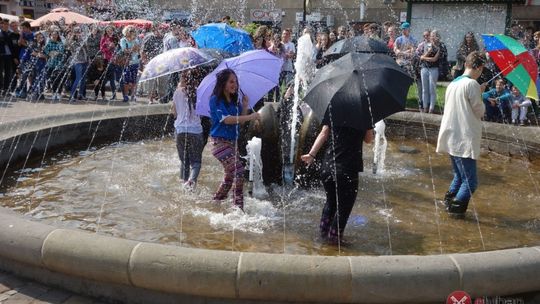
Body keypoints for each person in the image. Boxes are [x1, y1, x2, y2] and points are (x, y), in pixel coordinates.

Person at [301, 110, 374, 244]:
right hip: (348, 168)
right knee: (344, 207)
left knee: (331, 202)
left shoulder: (334, 108)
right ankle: (335, 239)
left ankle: (323, 235)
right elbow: (369, 140)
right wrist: (369, 124)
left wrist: (311, 155)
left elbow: (323, 133)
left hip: (328, 166)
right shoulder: (364, 113)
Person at [436, 51, 487, 216]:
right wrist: (480, 93)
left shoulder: (453, 83)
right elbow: (479, 111)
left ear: (466, 64)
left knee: (459, 176)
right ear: (478, 67)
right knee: (470, 182)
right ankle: (454, 212)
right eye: (481, 69)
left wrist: (478, 91)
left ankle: (447, 204)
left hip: (451, 135)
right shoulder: (471, 84)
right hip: (464, 137)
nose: (481, 73)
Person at [209, 69, 260, 210]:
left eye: (236, 82)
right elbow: (227, 120)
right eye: (231, 82)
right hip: (219, 144)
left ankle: (216, 201)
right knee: (239, 170)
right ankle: (238, 208)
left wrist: (244, 106)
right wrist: (250, 116)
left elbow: (240, 122)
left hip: (232, 144)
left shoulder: (234, 102)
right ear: (223, 83)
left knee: (230, 176)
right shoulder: (215, 100)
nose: (235, 85)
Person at [172, 72, 204, 189]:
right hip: (195, 131)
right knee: (196, 162)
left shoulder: (177, 92)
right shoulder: (199, 92)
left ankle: (183, 183)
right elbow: (204, 112)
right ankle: (191, 181)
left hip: (180, 130)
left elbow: (174, 113)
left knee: (184, 161)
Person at [419, 30, 447, 113]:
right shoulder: (426, 44)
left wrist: (424, 58)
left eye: (434, 36)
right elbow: (421, 57)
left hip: (434, 69)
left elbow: (435, 59)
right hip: (424, 68)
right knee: (424, 89)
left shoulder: (441, 46)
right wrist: (429, 51)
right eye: (431, 36)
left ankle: (431, 108)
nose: (432, 37)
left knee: (432, 89)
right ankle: (425, 107)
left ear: (438, 37)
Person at [66, 27, 89, 101]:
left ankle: (81, 94)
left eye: (80, 32)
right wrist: (81, 42)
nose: (79, 34)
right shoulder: (72, 41)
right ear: (74, 33)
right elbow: (75, 50)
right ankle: (72, 95)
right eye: (77, 32)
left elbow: (87, 50)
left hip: (85, 61)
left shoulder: (83, 40)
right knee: (78, 78)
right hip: (77, 61)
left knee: (83, 79)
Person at [119, 25, 141, 102]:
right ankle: (125, 95)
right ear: (127, 32)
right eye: (130, 31)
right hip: (127, 63)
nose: (132, 33)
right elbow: (124, 50)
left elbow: (138, 50)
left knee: (134, 80)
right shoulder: (123, 40)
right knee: (126, 80)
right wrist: (133, 49)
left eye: (133, 32)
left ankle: (133, 95)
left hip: (135, 62)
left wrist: (133, 49)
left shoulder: (136, 40)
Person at [43, 29, 65, 101]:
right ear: (51, 35)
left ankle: (58, 93)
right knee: (52, 80)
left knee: (59, 79)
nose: (55, 35)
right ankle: (54, 93)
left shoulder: (60, 43)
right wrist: (53, 53)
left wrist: (53, 53)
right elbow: (46, 52)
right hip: (50, 64)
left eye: (56, 34)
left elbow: (60, 52)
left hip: (58, 64)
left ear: (58, 35)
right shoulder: (48, 43)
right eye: (53, 34)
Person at [100, 25, 119, 101]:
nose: (109, 32)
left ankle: (113, 95)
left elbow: (119, 47)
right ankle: (104, 94)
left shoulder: (115, 38)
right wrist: (108, 48)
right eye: (108, 31)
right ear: (106, 31)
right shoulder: (103, 38)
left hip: (113, 60)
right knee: (106, 77)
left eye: (110, 31)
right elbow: (101, 48)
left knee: (111, 78)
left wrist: (114, 46)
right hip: (106, 59)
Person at [0, 19, 15, 97]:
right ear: (1, 25)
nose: (6, 25)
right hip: (1, 55)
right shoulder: (1, 33)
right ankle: (1, 88)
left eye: (7, 24)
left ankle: (6, 89)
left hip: (8, 56)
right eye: (4, 24)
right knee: (0, 73)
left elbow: (12, 45)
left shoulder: (9, 33)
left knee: (8, 73)